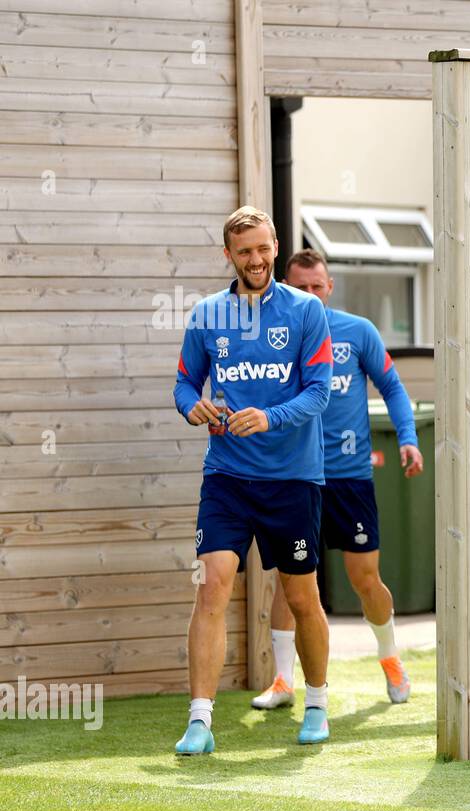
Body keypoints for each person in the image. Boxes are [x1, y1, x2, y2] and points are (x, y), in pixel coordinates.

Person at [173, 208, 334, 755]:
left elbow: (319, 391)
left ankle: (315, 703)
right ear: (229, 255)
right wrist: (192, 407)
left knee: (300, 594)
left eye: (264, 249)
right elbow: (182, 384)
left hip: (292, 479)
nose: (257, 260)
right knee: (213, 583)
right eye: (245, 252)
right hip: (227, 476)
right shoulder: (206, 315)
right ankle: (200, 720)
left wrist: (270, 417)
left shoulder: (307, 311)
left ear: (275, 246)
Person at [251, 249, 424, 711]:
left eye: (317, 286)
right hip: (293, 476)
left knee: (365, 578)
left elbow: (392, 387)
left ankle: (390, 661)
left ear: (329, 288)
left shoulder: (357, 332)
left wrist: (407, 437)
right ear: (285, 289)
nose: (310, 294)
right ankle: (284, 682)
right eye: (300, 287)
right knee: (289, 582)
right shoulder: (271, 335)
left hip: (349, 479)